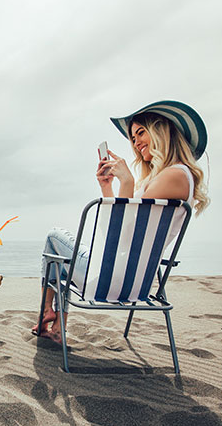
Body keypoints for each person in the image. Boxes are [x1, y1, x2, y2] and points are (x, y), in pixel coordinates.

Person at [32, 100, 209, 343]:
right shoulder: (171, 177)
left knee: (53, 239)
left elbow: (121, 235)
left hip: (110, 280)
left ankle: (48, 314)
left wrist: (126, 184)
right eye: (133, 138)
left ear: (161, 131)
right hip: (135, 282)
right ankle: (56, 322)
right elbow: (120, 232)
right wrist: (109, 188)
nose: (136, 143)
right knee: (61, 257)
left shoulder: (174, 175)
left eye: (141, 133)